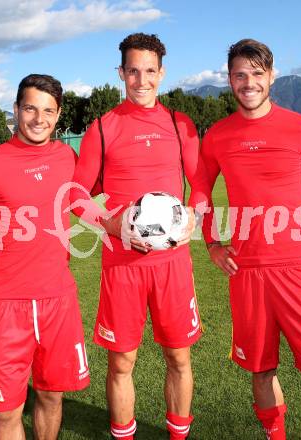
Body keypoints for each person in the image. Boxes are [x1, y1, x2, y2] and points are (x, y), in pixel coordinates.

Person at [201, 39, 301, 440]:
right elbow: (198, 193)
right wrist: (212, 244)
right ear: (229, 79)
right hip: (247, 274)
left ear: (271, 76)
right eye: (239, 74)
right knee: (261, 371)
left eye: (256, 73)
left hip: (300, 271)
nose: (247, 82)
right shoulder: (217, 135)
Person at [73, 33, 209, 439]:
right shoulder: (102, 127)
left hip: (172, 265)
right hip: (122, 265)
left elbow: (200, 184)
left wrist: (194, 216)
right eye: (133, 70)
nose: (141, 79)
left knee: (179, 358)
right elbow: (77, 196)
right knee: (121, 363)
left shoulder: (178, 123)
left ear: (161, 73)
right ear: (121, 73)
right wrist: (111, 224)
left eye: (149, 70)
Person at [0, 74, 90, 440]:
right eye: (30, 108)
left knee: (51, 396)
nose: (38, 118)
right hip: (5, 306)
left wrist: (123, 224)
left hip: (58, 301)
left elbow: (82, 203)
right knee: (5, 414)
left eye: (48, 110)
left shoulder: (66, 156)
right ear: (16, 110)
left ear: (58, 116)